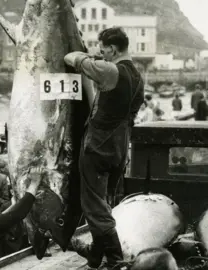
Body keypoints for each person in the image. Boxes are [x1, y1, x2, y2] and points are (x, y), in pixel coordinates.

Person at [64, 27, 144, 269]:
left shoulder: (110, 70)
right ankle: (95, 254)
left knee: (94, 205)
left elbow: (72, 59)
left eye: (102, 48)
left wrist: (87, 57)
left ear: (112, 49)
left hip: (98, 148)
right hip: (120, 150)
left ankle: (116, 260)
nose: (100, 51)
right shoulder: (138, 77)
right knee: (102, 200)